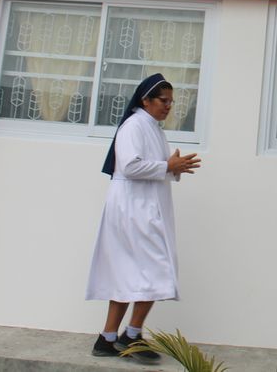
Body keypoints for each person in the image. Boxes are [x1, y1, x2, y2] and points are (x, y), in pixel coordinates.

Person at [85, 73, 201, 363]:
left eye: (172, 102)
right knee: (154, 268)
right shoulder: (134, 125)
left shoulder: (152, 127)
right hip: (131, 208)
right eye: (164, 101)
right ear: (145, 100)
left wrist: (174, 167)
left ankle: (107, 338)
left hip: (142, 206)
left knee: (130, 272)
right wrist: (167, 165)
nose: (168, 106)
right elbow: (129, 166)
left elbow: (156, 166)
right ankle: (131, 335)